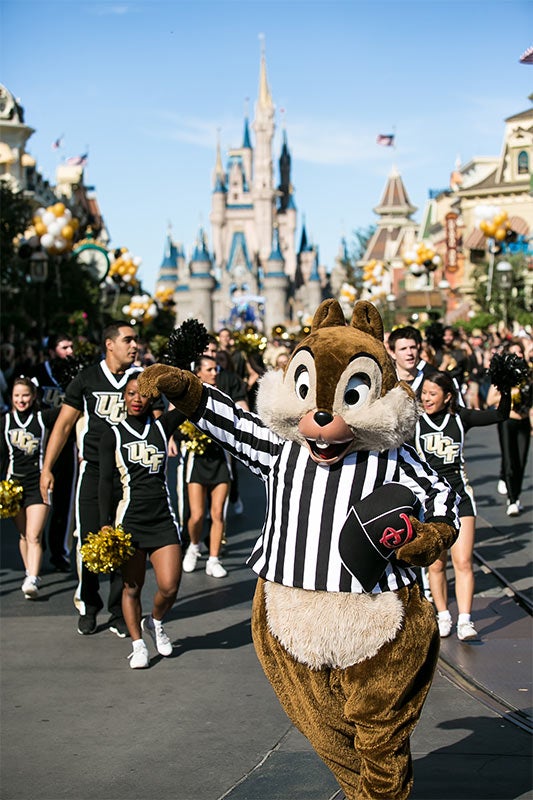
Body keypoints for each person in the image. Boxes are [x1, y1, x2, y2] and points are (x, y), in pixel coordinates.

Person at [40, 321, 151, 637]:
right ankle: (88, 604)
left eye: (136, 340)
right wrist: (47, 468)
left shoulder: (138, 379)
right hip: (92, 472)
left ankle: (118, 610)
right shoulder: (87, 378)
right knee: (88, 540)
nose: (134, 345)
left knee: (124, 541)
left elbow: (154, 419)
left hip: (130, 475)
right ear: (109, 344)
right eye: (128, 340)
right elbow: (62, 426)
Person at [415, 371, 510, 641]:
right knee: (435, 564)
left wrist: (505, 390)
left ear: (447, 397)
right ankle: (443, 614)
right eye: (424, 394)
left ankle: (465, 621)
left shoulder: (460, 418)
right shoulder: (415, 423)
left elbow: (499, 416)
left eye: (433, 394)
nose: (427, 399)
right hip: (430, 502)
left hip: (460, 497)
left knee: (464, 561)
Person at [98, 373, 183, 669]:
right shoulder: (112, 435)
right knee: (131, 587)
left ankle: (155, 622)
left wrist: (174, 369)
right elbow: (105, 483)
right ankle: (137, 645)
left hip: (162, 518)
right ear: (123, 397)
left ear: (152, 397)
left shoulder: (163, 426)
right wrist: (105, 523)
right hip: (129, 520)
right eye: (131, 393)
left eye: (143, 393)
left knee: (170, 586)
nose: (137, 399)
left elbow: (188, 401)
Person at [0, 377, 59, 598]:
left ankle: (33, 578)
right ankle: (29, 572)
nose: (21, 400)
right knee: (24, 535)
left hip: (38, 483)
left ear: (33, 396)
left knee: (34, 534)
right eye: (16, 396)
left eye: (25, 395)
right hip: (13, 485)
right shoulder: (5, 421)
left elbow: (69, 413)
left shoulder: (43, 418)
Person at [181, 355, 232, 578]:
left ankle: (214, 559)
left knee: (218, 512)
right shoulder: (188, 397)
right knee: (197, 515)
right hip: (197, 459)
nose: (214, 373)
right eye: (210, 369)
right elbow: (177, 423)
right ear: (198, 372)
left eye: (216, 369)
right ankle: (193, 546)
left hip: (219, 458)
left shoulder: (221, 396)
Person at [31, 333, 76, 572]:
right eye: (64, 347)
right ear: (51, 351)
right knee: (37, 497)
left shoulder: (75, 376)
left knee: (63, 500)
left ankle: (59, 551)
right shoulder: (37, 373)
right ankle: (33, 544)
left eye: (71, 347)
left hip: (67, 444)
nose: (69, 351)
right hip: (40, 444)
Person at [487, 340, 532, 517]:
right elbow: (489, 400)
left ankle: (517, 495)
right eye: (514, 353)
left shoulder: (529, 375)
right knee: (509, 460)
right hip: (507, 422)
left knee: (521, 461)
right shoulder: (502, 377)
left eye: (520, 352)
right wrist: (505, 395)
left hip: (524, 421)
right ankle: (512, 500)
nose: (518, 356)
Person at [387, 325, 437, 395]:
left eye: (413, 347)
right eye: (403, 349)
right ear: (393, 353)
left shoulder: (431, 379)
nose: (409, 353)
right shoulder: (386, 383)